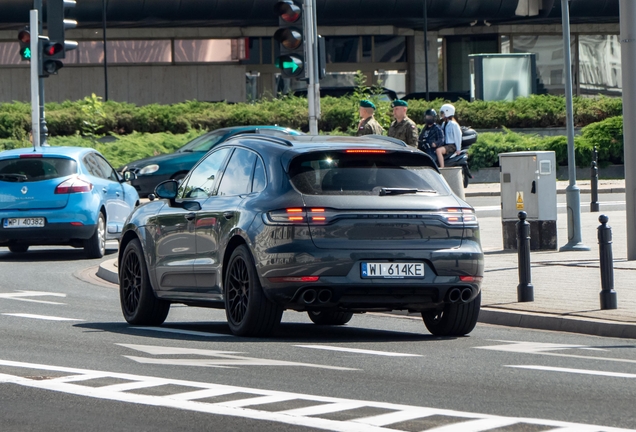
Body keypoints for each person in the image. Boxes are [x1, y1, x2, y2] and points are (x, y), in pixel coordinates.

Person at [436, 103, 462, 168]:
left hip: (451, 145)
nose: (441, 115)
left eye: (442, 113)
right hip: (445, 145)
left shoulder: (454, 124)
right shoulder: (443, 123)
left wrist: (458, 149)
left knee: (438, 150)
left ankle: (442, 168)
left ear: (447, 112)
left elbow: (458, 136)